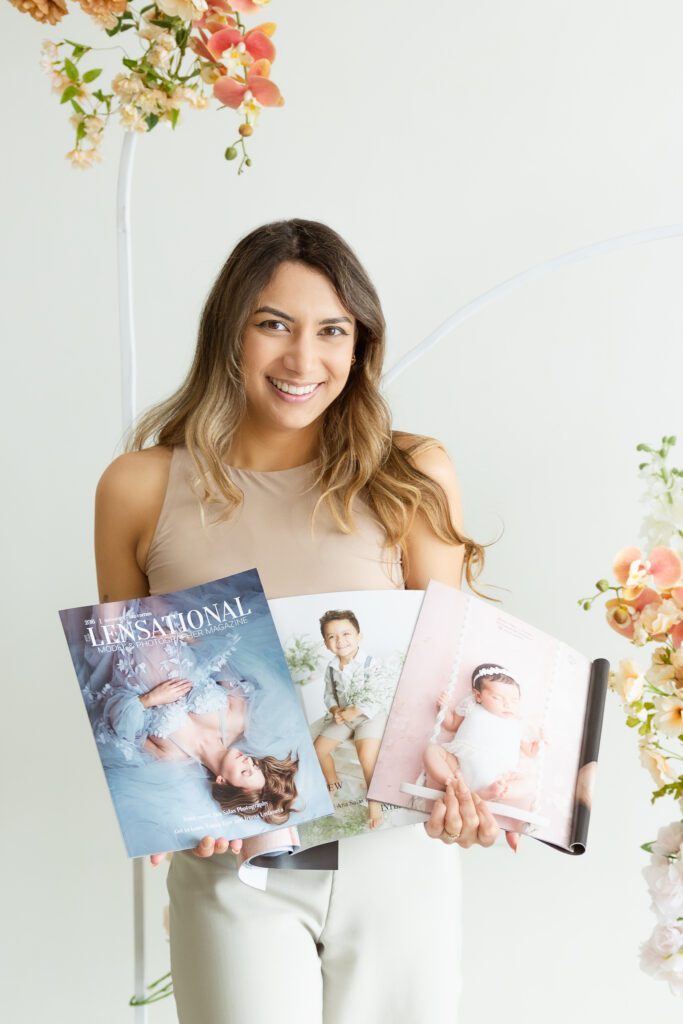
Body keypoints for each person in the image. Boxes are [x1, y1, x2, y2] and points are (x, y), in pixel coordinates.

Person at [94, 218, 519, 1024]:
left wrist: (483, 787)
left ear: (359, 346)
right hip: (234, 868)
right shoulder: (139, 486)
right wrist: (179, 801)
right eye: (272, 325)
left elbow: (458, 669)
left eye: (332, 331)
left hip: (395, 861)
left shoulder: (409, 471)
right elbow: (119, 676)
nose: (302, 361)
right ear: (230, 332)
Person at [424, 662, 543, 804]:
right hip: (459, 768)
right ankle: (452, 782)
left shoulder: (517, 723)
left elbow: (529, 751)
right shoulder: (471, 705)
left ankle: (496, 792)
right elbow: (451, 724)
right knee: (432, 751)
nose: (508, 705)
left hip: (498, 776)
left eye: (514, 700)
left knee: (530, 784)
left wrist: (538, 745)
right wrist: (443, 708)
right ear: (478, 696)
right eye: (497, 698)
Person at [314, 608, 391, 828]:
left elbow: (378, 695)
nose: (340, 640)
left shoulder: (372, 664)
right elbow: (329, 694)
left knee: (366, 755)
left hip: (369, 715)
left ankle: (374, 801)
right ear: (326, 643)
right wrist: (335, 710)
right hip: (344, 716)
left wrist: (354, 712)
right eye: (332, 636)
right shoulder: (330, 668)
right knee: (318, 749)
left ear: (359, 636)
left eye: (346, 634)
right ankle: (332, 782)